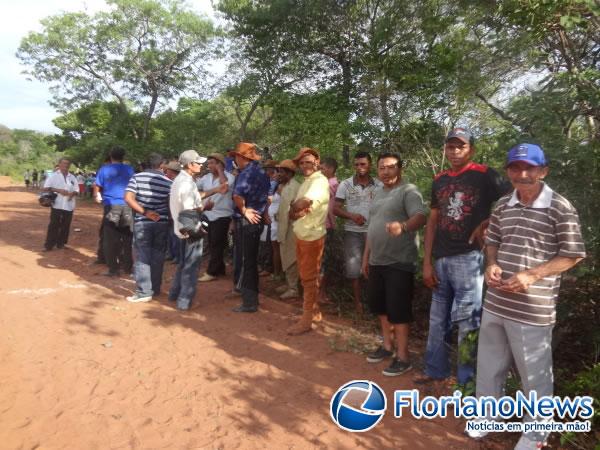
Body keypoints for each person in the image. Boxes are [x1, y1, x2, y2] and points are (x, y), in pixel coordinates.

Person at [468, 144, 586, 449]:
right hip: (496, 300)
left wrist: (533, 274)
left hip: (533, 308)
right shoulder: (504, 204)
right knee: (490, 363)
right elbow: (492, 240)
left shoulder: (560, 207)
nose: (522, 174)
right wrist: (492, 263)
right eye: (516, 168)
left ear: (543, 170)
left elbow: (573, 255)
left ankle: (536, 434)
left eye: (530, 168)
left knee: (534, 374)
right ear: (508, 171)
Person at [415, 128, 510, 389]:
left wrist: (489, 221)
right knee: (437, 321)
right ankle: (436, 372)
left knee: (468, 323)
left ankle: (466, 381)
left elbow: (512, 199)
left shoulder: (484, 174)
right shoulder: (440, 179)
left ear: (472, 150)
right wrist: (427, 261)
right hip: (442, 259)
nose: (455, 151)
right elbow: (432, 221)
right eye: (451, 147)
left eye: (461, 146)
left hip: (469, 259)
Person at [362, 152, 427, 375]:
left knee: (398, 310)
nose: (386, 172)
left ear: (399, 168)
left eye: (391, 167)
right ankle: (387, 346)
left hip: (400, 260)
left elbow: (420, 217)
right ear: (377, 170)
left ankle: (403, 356)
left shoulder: (408, 191)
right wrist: (365, 258)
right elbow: (372, 227)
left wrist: (403, 226)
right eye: (382, 168)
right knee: (380, 306)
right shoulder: (378, 192)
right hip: (377, 260)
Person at [287, 147, 330, 335]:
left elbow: (303, 203)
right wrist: (295, 210)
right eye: (302, 162)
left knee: (308, 278)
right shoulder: (308, 181)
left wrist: (295, 208)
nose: (305, 165)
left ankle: (306, 320)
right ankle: (314, 312)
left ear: (317, 162)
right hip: (303, 233)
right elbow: (295, 211)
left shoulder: (319, 181)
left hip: (311, 236)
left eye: (309, 161)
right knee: (308, 276)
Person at [334, 151, 382, 314]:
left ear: (370, 165)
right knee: (354, 268)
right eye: (356, 164)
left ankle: (374, 302)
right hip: (352, 232)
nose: (359, 167)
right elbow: (335, 208)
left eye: (363, 164)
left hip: (374, 232)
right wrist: (352, 216)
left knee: (373, 266)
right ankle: (358, 303)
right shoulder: (346, 185)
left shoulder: (379, 185)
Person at [124, 153, 173, 303]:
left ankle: (144, 292)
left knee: (142, 256)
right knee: (158, 256)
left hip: (143, 222)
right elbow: (170, 204)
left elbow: (128, 198)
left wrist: (145, 212)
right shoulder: (168, 182)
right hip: (162, 222)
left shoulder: (137, 178)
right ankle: (155, 289)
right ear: (161, 165)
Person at [229, 142, 270, 313]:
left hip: (247, 221)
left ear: (241, 157)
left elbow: (238, 195)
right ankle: (251, 299)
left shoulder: (245, 173)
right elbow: (268, 196)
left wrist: (244, 210)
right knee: (251, 261)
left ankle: (249, 302)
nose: (235, 160)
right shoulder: (261, 172)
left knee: (246, 261)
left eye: (236, 156)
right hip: (257, 220)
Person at [168, 150, 209, 310]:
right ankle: (185, 301)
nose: (200, 165)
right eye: (198, 163)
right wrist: (197, 226)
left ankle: (175, 294)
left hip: (181, 227)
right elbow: (189, 209)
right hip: (189, 227)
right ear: (190, 165)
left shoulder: (180, 180)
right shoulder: (186, 183)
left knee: (183, 263)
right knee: (191, 265)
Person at [93, 147, 135, 277]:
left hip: (111, 206)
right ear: (123, 157)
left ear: (110, 156)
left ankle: (113, 269)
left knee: (110, 239)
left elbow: (97, 185)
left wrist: (97, 195)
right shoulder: (130, 169)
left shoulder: (104, 169)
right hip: (128, 205)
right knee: (127, 238)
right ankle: (127, 267)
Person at [196, 153, 234, 282]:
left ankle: (211, 272)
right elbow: (195, 189)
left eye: (213, 163)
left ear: (220, 164)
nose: (209, 166)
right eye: (209, 163)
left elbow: (225, 186)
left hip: (223, 215)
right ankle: (220, 269)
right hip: (208, 214)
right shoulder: (206, 178)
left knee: (217, 243)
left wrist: (220, 171)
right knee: (213, 243)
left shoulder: (229, 177)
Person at [275, 160, 301, 300]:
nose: (279, 174)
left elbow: (297, 208)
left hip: (292, 227)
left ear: (290, 173)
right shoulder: (284, 186)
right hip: (283, 226)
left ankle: (293, 288)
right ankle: (288, 283)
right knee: (285, 255)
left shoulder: (295, 187)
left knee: (291, 257)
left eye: (282, 172)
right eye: (279, 171)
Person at [42, 158, 78, 251]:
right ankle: (49, 245)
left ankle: (61, 244)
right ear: (59, 164)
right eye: (64, 163)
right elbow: (46, 188)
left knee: (66, 225)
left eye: (67, 164)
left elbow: (77, 190)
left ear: (69, 166)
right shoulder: (53, 176)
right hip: (57, 204)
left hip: (69, 205)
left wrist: (72, 194)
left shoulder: (72, 177)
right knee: (54, 225)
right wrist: (58, 190)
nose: (66, 165)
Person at [318, 157, 339, 303]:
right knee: (319, 260)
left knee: (323, 260)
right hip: (319, 226)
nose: (320, 170)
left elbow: (331, 209)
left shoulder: (332, 184)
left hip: (326, 227)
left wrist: (333, 224)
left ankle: (322, 293)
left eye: (323, 168)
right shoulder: (323, 183)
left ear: (331, 169)